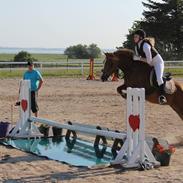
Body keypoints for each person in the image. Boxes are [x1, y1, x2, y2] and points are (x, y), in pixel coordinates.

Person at [133, 29, 167, 105]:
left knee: (159, 78)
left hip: (157, 63)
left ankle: (162, 96)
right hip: (148, 63)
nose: (134, 38)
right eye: (134, 36)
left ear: (141, 38)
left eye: (136, 36)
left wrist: (138, 58)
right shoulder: (137, 47)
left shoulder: (145, 45)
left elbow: (149, 61)